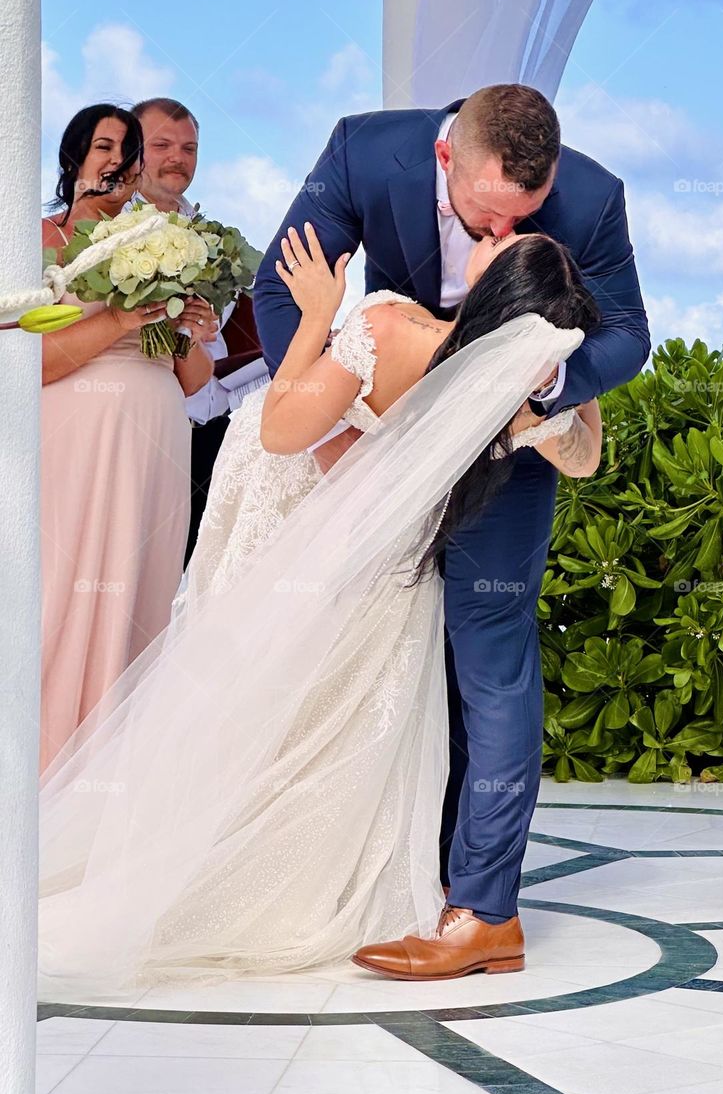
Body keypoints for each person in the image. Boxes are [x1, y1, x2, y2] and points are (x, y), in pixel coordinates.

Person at [36, 227, 600, 1002]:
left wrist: (315, 315)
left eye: (503, 245)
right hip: (383, 561)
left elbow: (279, 431)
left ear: (498, 292)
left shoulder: (389, 329)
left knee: (248, 696)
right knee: (327, 714)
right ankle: (283, 869)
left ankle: (200, 872)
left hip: (291, 509)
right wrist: (567, 383)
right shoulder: (507, 396)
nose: (492, 234)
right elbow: (586, 458)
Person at [254, 83, 649, 979]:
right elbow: (277, 286)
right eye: (486, 218)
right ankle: (402, 874)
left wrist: (534, 387)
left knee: (490, 651)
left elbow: (628, 335)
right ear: (445, 162)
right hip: (381, 429)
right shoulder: (364, 150)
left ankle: (481, 912)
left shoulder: (592, 196)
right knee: (383, 656)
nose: (505, 238)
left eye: (527, 217)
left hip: (508, 444)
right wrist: (332, 422)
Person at [39, 104, 212, 773]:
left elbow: (194, 379)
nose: (118, 160)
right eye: (104, 146)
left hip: (157, 446)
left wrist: (187, 326)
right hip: (82, 443)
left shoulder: (158, 242)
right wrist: (116, 319)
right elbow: (35, 362)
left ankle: (112, 775)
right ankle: (45, 765)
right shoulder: (47, 242)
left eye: (127, 150)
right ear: (76, 158)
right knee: (65, 594)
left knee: (140, 600)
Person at [127, 96, 270, 566]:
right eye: (162, 145)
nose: (178, 159)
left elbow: (226, 330)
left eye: (189, 148)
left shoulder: (213, 239)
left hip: (213, 424)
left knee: (194, 571)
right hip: (142, 424)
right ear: (133, 151)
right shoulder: (111, 231)